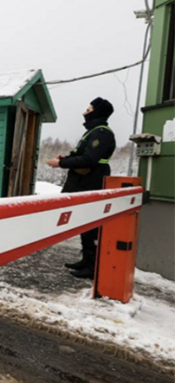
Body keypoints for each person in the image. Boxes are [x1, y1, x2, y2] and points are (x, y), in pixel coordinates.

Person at [47, 97, 116, 279]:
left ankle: (92, 266)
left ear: (97, 112)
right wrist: (66, 158)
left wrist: (60, 164)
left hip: (90, 182)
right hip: (84, 182)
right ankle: (86, 260)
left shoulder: (101, 133)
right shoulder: (93, 131)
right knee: (85, 223)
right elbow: (83, 155)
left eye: (89, 108)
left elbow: (89, 160)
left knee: (91, 224)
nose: (85, 112)